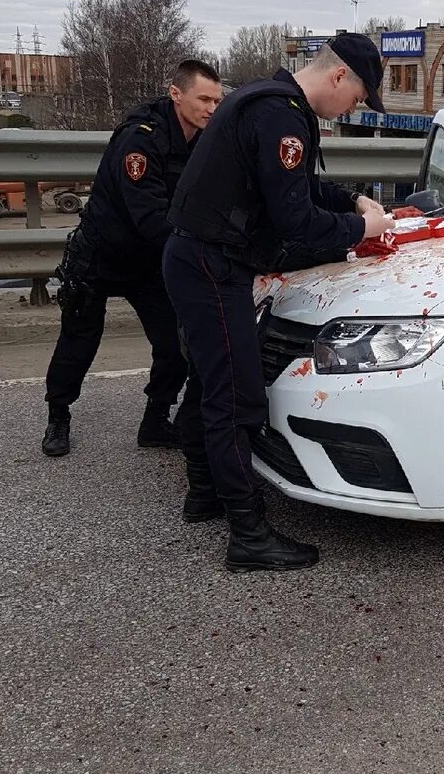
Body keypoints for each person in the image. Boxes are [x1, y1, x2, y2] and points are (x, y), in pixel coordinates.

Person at [163, 33, 395, 572]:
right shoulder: (282, 116)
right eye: (358, 97)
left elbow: (296, 188)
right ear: (339, 77)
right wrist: (363, 226)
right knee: (238, 397)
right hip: (211, 264)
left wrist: (349, 198)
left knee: (208, 381)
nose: (352, 109)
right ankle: (248, 534)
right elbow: (294, 219)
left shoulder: (270, 101)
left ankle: (205, 495)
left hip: (198, 257)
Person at [41, 60, 224, 457]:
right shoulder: (140, 140)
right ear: (176, 94)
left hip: (149, 262)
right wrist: (202, 251)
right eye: (204, 99)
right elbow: (150, 217)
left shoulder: (204, 141)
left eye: (217, 100)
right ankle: (58, 416)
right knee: (78, 341)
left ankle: (155, 420)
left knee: (175, 346)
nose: (212, 108)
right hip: (101, 255)